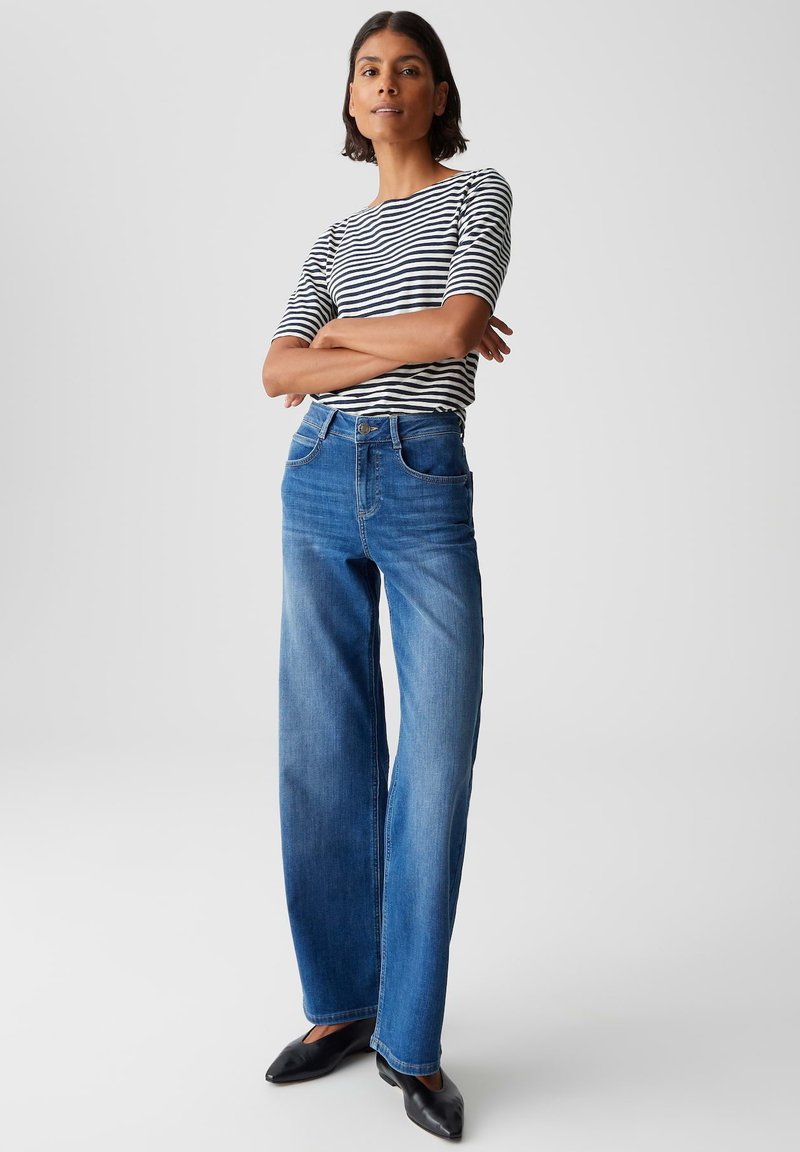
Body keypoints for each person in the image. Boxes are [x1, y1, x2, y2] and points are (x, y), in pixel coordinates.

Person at [261, 10, 513, 1141]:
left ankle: (411, 1042)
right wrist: (408, 335)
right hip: (317, 473)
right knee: (323, 749)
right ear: (351, 96)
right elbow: (275, 369)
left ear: (438, 92)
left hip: (420, 481)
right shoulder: (331, 239)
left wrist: (348, 343)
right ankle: (342, 1005)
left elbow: (455, 333)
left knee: (435, 762)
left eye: (409, 69)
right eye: (369, 70)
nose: (386, 85)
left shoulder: (477, 197)